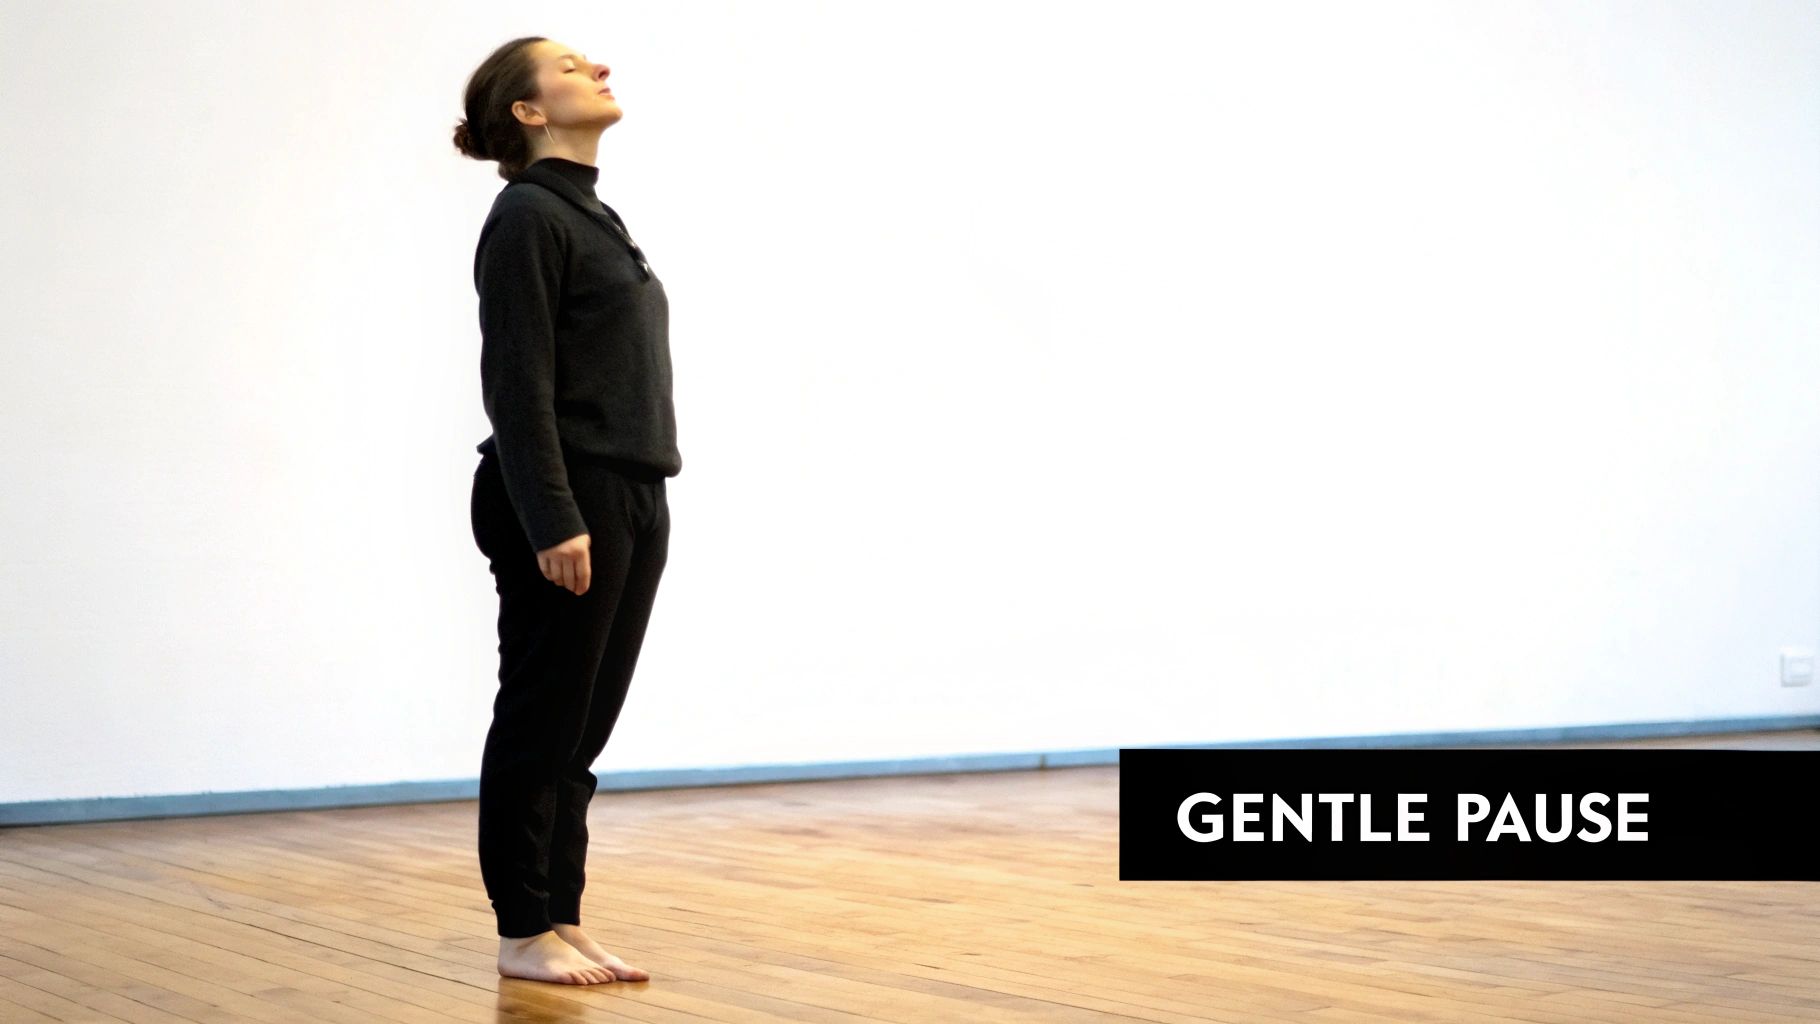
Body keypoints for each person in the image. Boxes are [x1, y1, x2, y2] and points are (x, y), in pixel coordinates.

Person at [452, 35, 678, 987]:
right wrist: (552, 517)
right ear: (529, 112)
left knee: (582, 727)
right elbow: (517, 380)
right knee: (542, 718)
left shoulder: (592, 215)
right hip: (566, 496)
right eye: (574, 66)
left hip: (630, 490)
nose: (602, 70)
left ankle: (559, 912)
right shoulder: (527, 217)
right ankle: (519, 929)